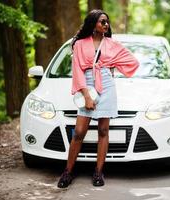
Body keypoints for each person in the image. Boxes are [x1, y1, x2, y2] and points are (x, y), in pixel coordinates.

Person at [57, 9, 139, 188]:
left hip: (107, 86)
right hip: (87, 84)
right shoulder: (79, 44)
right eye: (102, 21)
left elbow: (133, 62)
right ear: (93, 23)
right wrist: (86, 95)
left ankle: (98, 172)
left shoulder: (112, 44)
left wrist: (111, 67)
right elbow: (77, 70)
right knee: (79, 132)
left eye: (107, 22)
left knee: (103, 131)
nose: (106, 25)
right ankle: (68, 172)